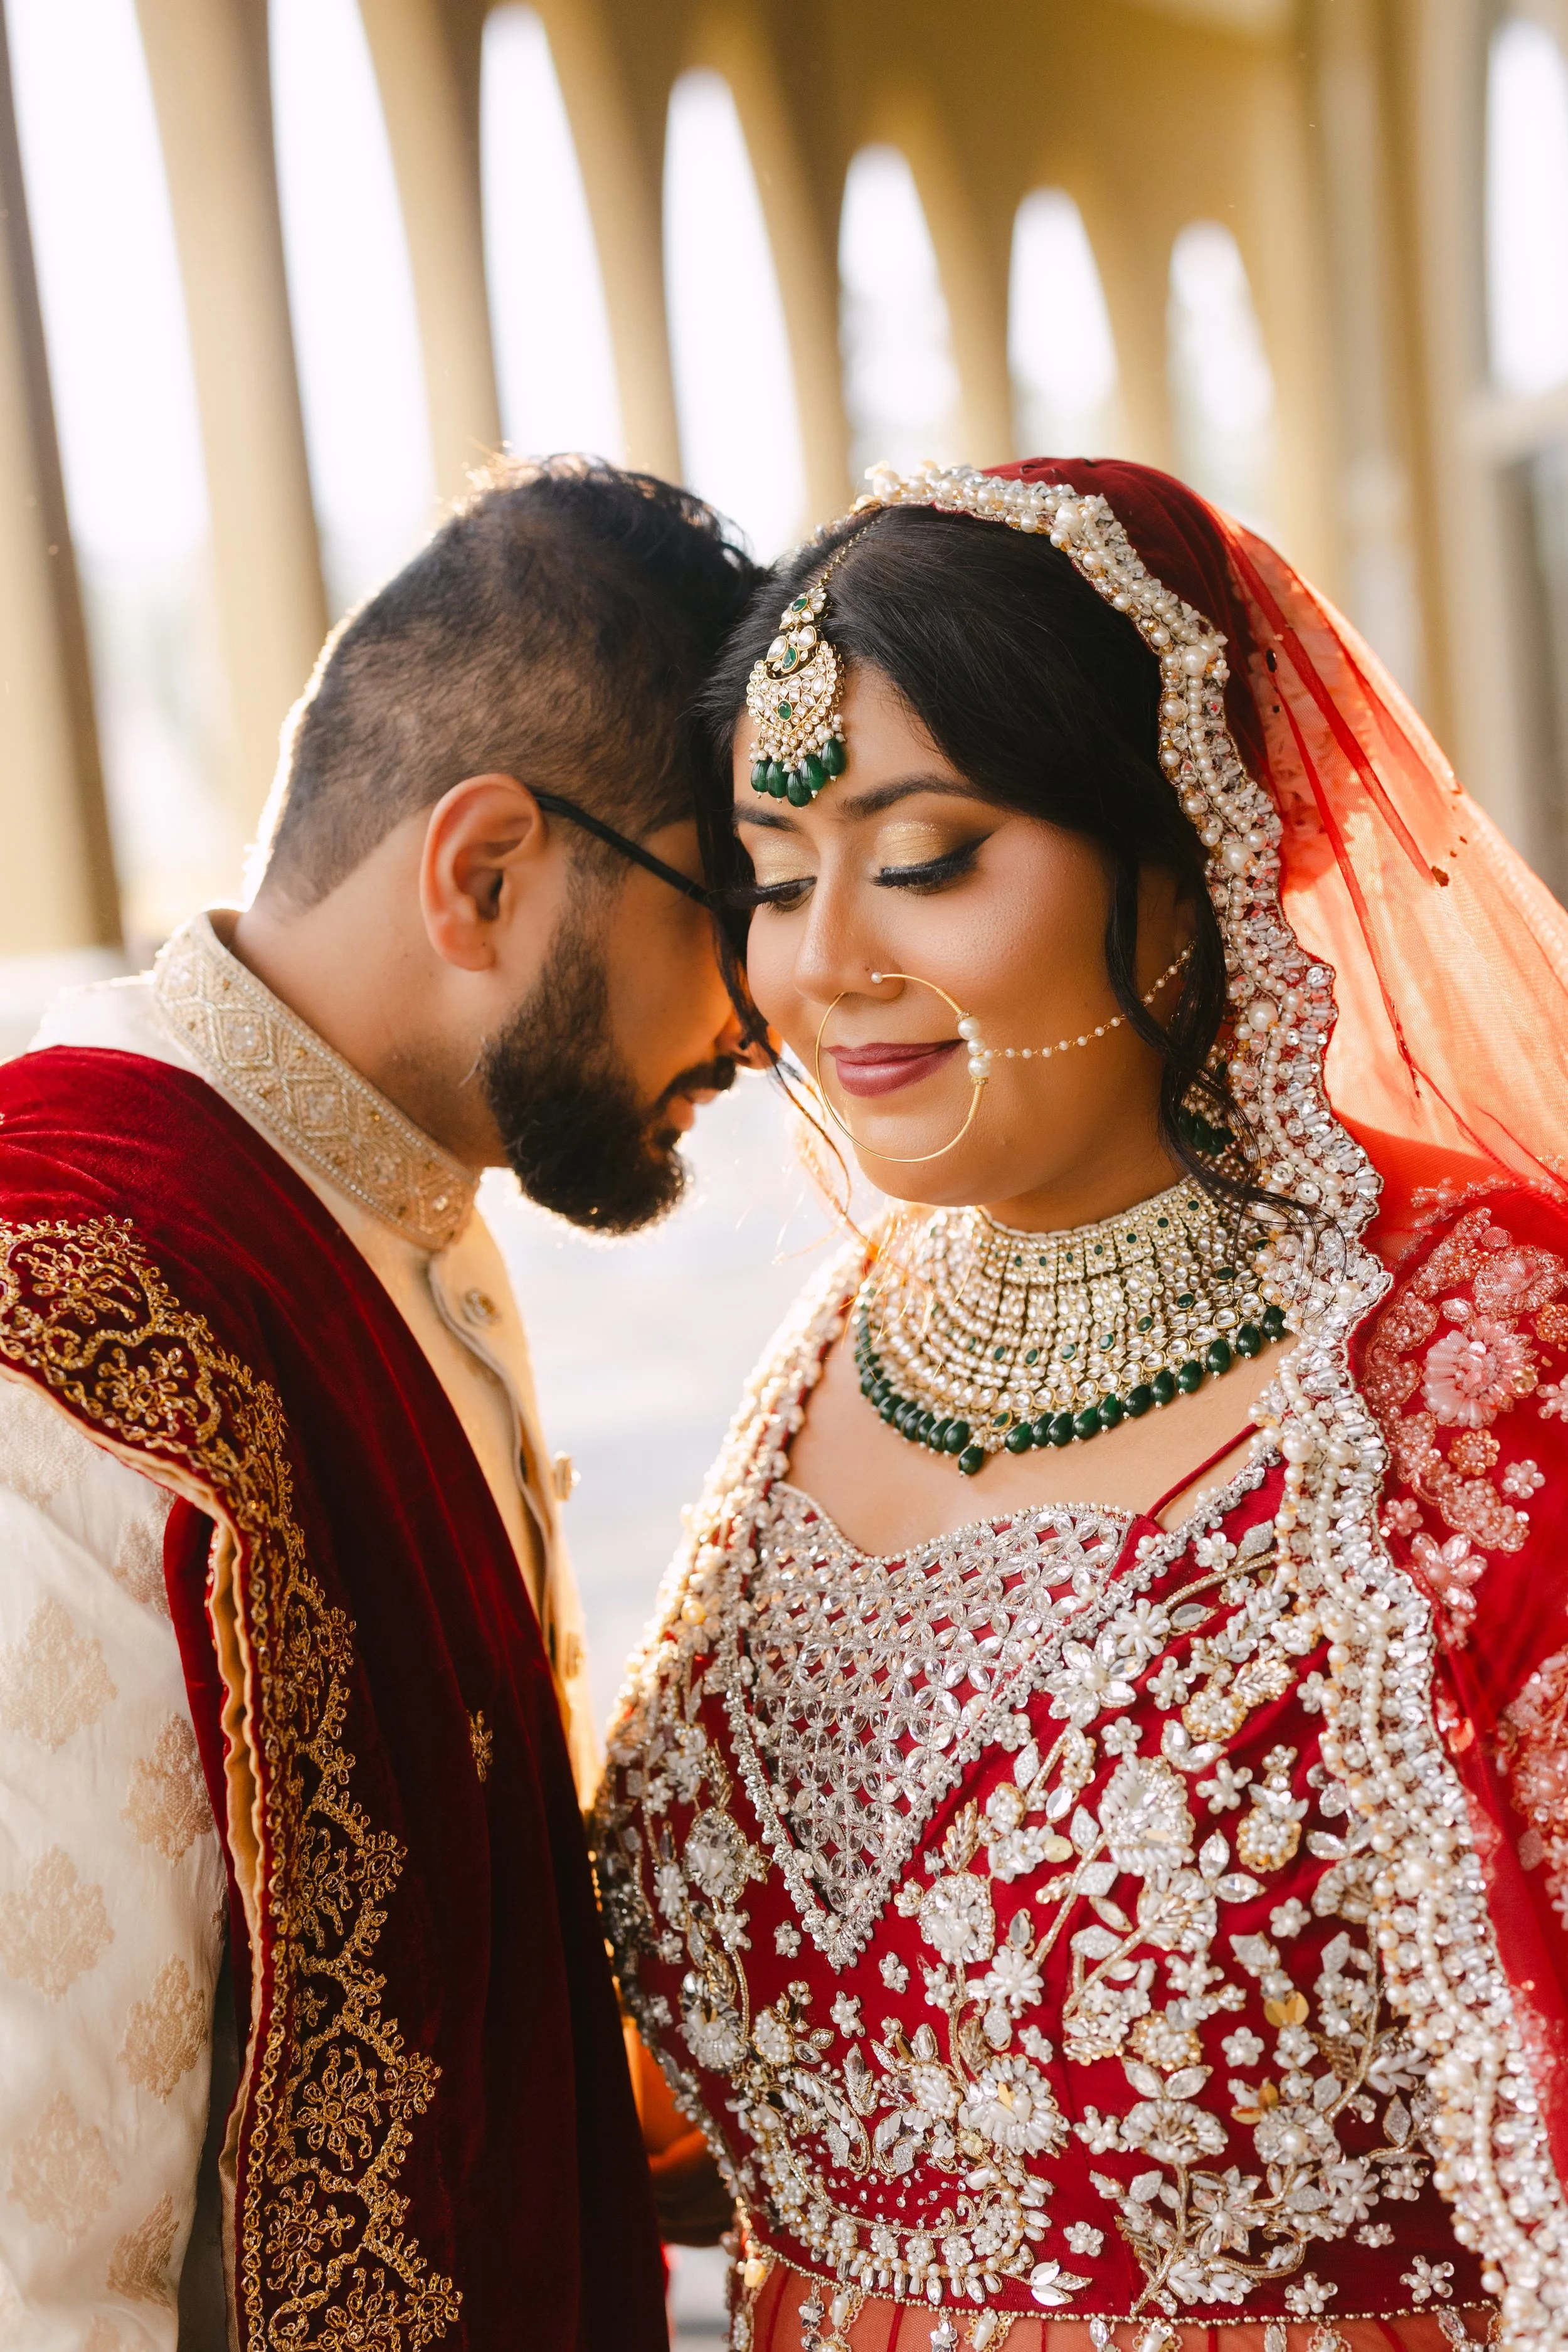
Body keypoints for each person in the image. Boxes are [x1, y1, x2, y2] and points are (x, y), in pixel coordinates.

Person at [595, 457, 1568, 2352]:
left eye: (930, 855)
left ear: (1194, 848)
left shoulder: (1485, 1350)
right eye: (773, 879)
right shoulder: (837, 1346)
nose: (824, 964)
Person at [0, 456, 760, 2349]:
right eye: (728, 907)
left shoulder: (378, 1185)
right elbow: (38, 2234)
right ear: (484, 872)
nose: (762, 1017)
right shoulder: (73, 1305)